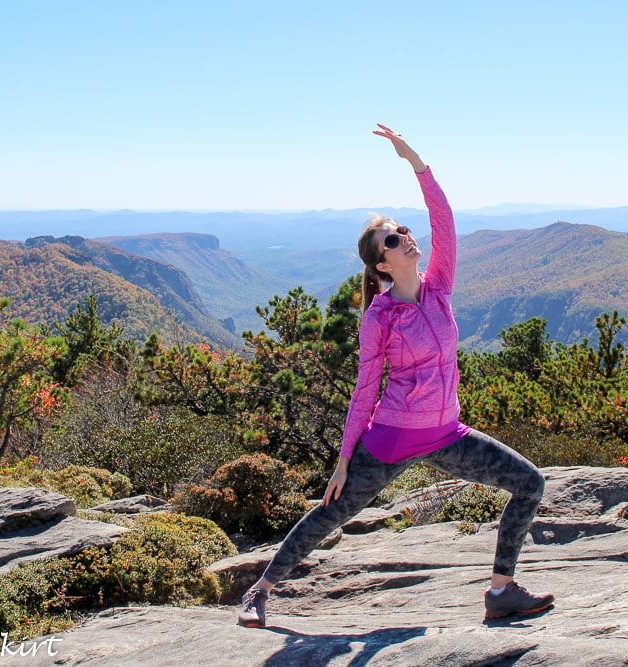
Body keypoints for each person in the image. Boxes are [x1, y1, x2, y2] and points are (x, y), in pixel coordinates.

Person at [237, 124, 554, 628]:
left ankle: (501, 591)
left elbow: (444, 221)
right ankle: (260, 591)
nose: (406, 239)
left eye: (404, 232)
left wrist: (416, 162)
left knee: (530, 483)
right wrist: (342, 461)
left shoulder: (439, 287)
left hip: (447, 433)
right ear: (381, 263)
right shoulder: (379, 316)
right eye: (394, 239)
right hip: (388, 440)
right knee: (331, 514)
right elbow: (365, 391)